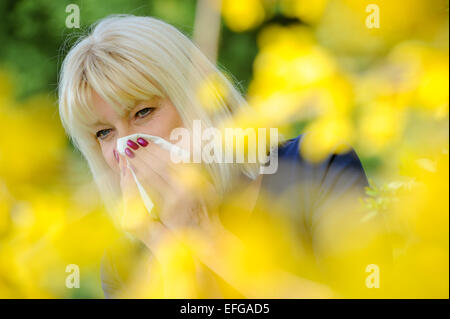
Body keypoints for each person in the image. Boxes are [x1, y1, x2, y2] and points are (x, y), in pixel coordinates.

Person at [58, 15, 374, 298]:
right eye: (104, 133)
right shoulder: (122, 264)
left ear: (194, 99)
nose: (126, 145)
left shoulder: (317, 165)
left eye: (143, 112)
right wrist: (168, 250)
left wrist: (205, 237)